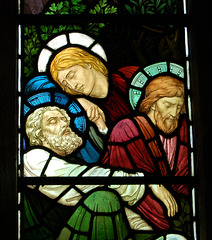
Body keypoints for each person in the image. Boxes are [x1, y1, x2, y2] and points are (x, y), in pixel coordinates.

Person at [102, 75, 189, 231]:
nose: (174, 113)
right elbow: (119, 179)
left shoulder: (184, 131)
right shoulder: (126, 129)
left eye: (179, 107)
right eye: (168, 105)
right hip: (138, 215)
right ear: (153, 103)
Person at [49, 46, 139, 133]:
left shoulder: (130, 76)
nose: (72, 86)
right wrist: (101, 126)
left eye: (71, 75)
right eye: (65, 84)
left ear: (87, 63)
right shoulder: (89, 115)